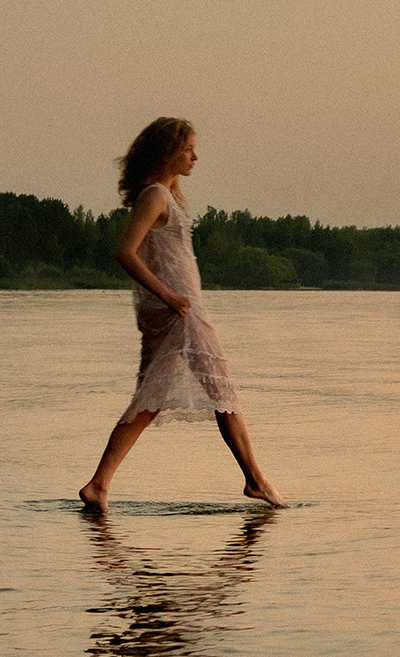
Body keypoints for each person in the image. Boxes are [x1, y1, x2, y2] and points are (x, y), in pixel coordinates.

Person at [79, 117, 287, 510]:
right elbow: (125, 252)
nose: (196, 156)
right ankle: (256, 480)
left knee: (150, 399)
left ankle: (99, 484)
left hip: (176, 308)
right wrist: (171, 297)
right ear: (167, 151)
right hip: (180, 310)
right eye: (189, 148)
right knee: (224, 393)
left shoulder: (163, 196)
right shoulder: (155, 195)